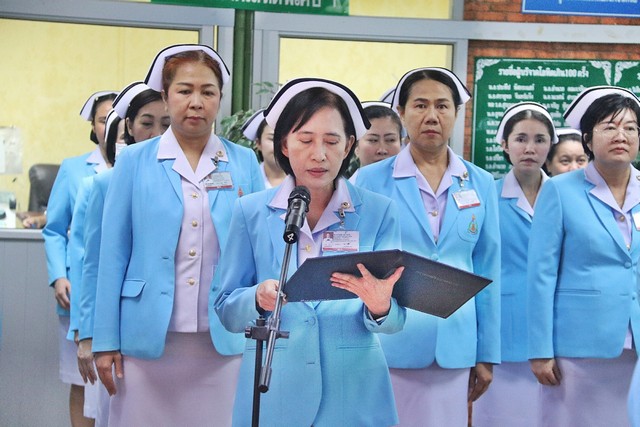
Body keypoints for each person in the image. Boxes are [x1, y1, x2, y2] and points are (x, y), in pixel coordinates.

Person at [214, 77, 406, 427]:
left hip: (354, 390)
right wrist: (257, 297)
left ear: (348, 146)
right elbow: (226, 309)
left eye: (331, 141)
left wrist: (380, 306)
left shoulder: (379, 211)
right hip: (276, 388)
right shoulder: (250, 212)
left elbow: (396, 320)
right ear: (284, 144)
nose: (319, 154)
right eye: (305, 140)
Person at [91, 44, 264, 426]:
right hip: (144, 337)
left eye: (208, 92)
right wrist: (103, 340)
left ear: (220, 98)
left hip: (223, 341)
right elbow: (112, 254)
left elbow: (256, 250)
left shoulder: (243, 162)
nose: (196, 102)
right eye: (185, 90)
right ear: (166, 96)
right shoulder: (135, 160)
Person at [356, 67, 501, 426]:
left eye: (442, 106)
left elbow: (489, 269)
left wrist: (486, 352)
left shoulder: (480, 182)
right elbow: (356, 264)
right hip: (389, 342)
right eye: (420, 105)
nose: (432, 116)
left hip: (457, 342)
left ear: (456, 113)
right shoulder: (370, 180)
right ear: (402, 113)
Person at [528, 86, 640, 427]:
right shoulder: (560, 191)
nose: (621, 136)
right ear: (588, 139)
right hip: (579, 343)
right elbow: (541, 274)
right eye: (610, 127)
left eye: (631, 128)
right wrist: (540, 349)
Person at [73, 81, 168, 427]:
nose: (157, 133)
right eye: (147, 123)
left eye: (166, 124)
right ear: (128, 126)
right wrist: (88, 335)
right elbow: (93, 264)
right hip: (120, 331)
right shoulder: (106, 182)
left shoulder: (188, 183)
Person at [472, 102, 556, 427]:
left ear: (550, 145)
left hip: (555, 328)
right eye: (521, 139)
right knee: (502, 416)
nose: (530, 148)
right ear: (505, 145)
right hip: (503, 330)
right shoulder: (487, 197)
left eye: (539, 139)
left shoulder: (563, 196)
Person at [43, 89, 117, 427]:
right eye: (103, 119)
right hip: (77, 290)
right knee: (81, 378)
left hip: (117, 290)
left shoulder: (138, 164)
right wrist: (59, 275)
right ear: (93, 125)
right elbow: (55, 229)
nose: (111, 126)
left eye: (117, 119)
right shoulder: (74, 169)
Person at [349, 101, 403, 183]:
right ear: (356, 147)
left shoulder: (416, 185)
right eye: (373, 140)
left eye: (390, 140)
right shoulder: (344, 189)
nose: (382, 150)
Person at [241, 108, 286, 188]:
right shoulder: (245, 180)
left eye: (285, 140)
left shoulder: (303, 181)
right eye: (272, 139)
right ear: (258, 143)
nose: (279, 146)